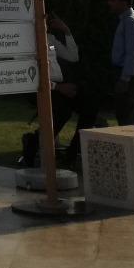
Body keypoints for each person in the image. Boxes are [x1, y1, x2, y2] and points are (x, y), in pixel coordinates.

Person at [45, 13, 100, 165]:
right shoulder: (27, 41)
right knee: (63, 111)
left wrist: (66, 31)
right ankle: (35, 142)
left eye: (48, 21)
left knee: (90, 103)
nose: (47, 24)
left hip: (58, 86)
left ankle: (73, 152)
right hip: (43, 88)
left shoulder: (50, 40)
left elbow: (73, 56)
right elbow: (28, 77)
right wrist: (57, 87)